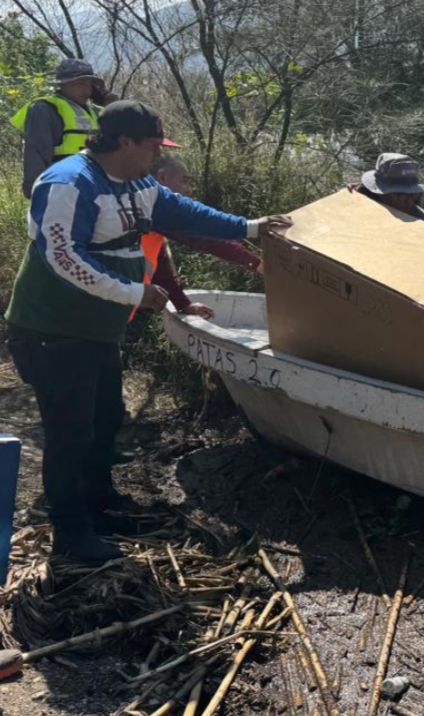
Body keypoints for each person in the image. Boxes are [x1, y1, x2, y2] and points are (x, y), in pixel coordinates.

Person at [4, 100, 292, 564]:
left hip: (97, 329)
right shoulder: (68, 184)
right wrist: (135, 292)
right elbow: (64, 259)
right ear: (123, 142)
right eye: (153, 144)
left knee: (106, 418)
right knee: (69, 431)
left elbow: (183, 212)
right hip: (52, 330)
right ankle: (71, 532)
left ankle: (100, 503)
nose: (158, 154)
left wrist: (252, 228)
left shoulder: (137, 182)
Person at [135, 154, 266, 321]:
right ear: (162, 177)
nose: (188, 189)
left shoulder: (146, 207)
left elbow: (161, 265)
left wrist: (183, 304)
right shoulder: (150, 205)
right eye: (184, 180)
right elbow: (205, 239)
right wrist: (256, 263)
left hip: (123, 300)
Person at [10, 58, 117, 198]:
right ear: (63, 85)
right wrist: (36, 191)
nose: (86, 89)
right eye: (80, 83)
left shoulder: (97, 111)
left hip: (96, 189)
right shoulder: (44, 109)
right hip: (61, 189)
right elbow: (36, 152)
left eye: (89, 84)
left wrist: (112, 106)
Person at [353, 153, 424, 225]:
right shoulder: (366, 204)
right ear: (381, 194)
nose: (408, 201)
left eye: (411, 195)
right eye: (399, 195)